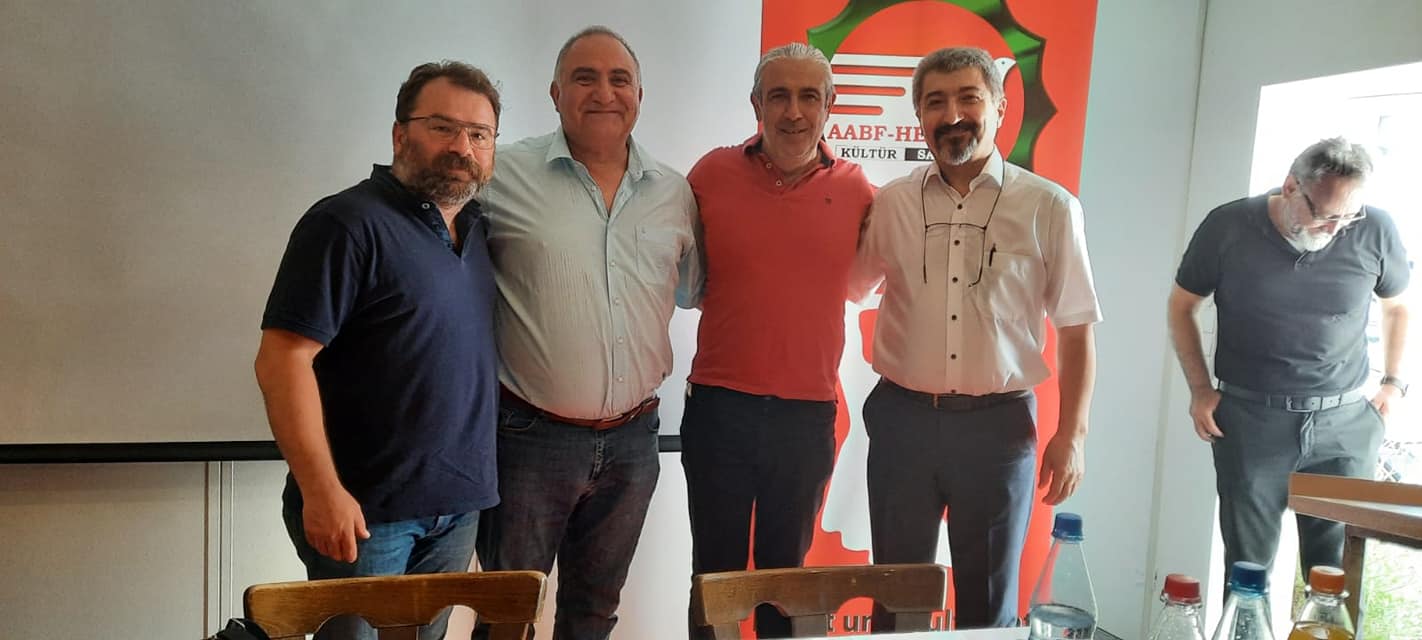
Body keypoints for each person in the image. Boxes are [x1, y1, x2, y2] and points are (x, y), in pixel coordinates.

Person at [854, 46, 1101, 628]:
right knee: (897, 600)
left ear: (1000, 107)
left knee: (989, 607)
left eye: (969, 98)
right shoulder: (891, 204)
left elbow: (1076, 327)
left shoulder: (1049, 207)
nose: (953, 115)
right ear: (919, 115)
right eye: (935, 102)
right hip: (903, 423)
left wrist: (1072, 434)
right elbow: (848, 286)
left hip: (998, 429)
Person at [253, 61, 502, 640]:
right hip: (365, 515)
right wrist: (321, 491)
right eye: (442, 127)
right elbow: (282, 360)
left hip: (458, 509)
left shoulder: (480, 231)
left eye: (479, 134)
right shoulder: (346, 223)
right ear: (399, 134)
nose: (461, 147)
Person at [473, 26, 700, 640]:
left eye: (619, 79)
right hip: (528, 440)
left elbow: (689, 289)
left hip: (634, 441)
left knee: (594, 613)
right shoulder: (500, 175)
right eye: (584, 78)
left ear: (639, 96)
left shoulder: (675, 192)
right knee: (506, 615)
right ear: (555, 94)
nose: (604, 93)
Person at [679, 42, 874, 639]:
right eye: (779, 96)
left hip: (805, 417)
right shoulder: (710, 175)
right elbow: (688, 278)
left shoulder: (857, 190)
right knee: (714, 579)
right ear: (756, 104)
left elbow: (865, 283)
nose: (794, 111)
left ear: (829, 106)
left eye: (809, 96)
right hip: (720, 408)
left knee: (785, 583)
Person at [1168, 137, 1409, 593]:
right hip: (1252, 421)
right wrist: (1200, 389)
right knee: (1247, 574)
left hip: (1344, 425)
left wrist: (1394, 384)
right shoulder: (1228, 226)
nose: (1335, 228)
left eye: (1348, 216)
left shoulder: (1375, 228)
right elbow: (1182, 305)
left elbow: (1397, 307)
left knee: (1336, 578)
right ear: (1291, 187)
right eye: (1325, 214)